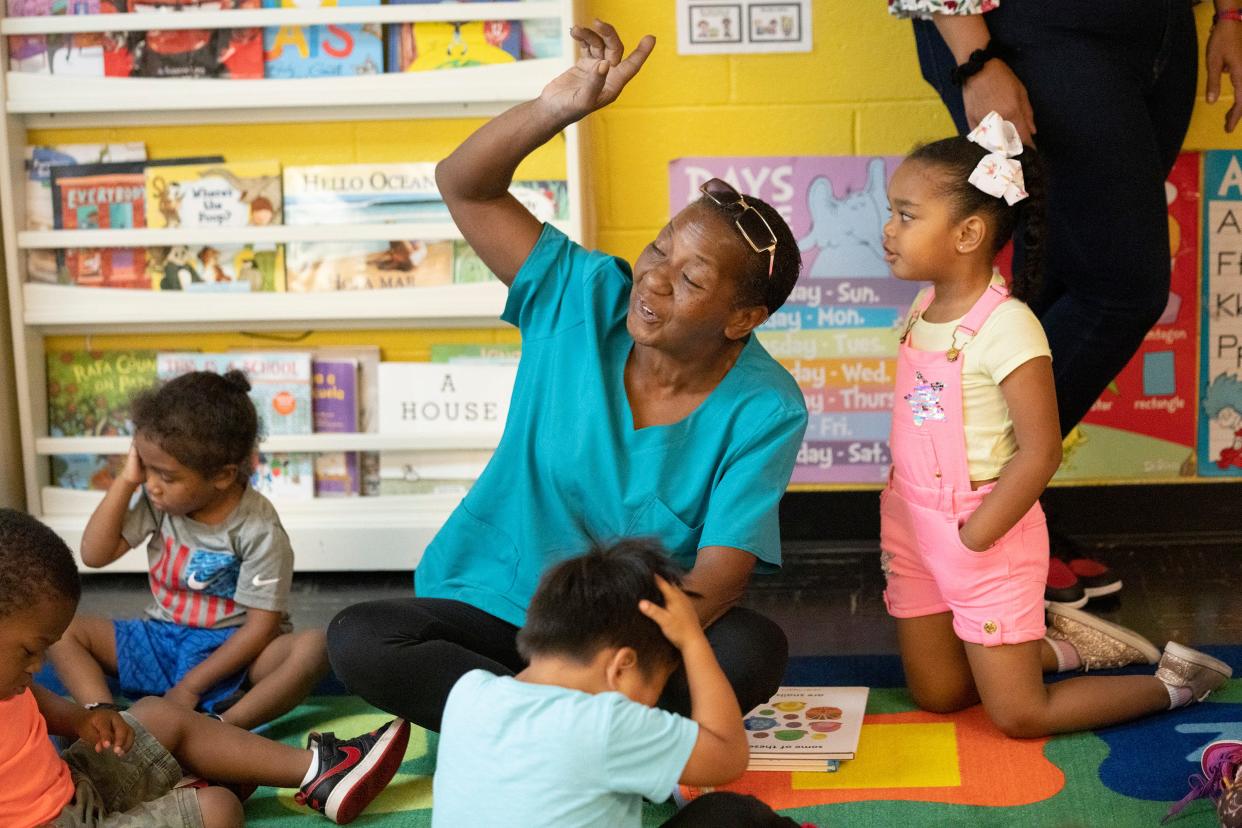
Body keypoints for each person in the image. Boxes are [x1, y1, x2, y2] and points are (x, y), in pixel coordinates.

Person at [327, 20, 808, 732]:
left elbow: (715, 583)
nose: (654, 280)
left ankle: (519, 725)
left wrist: (608, 660)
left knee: (751, 652)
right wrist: (557, 107)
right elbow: (464, 185)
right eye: (659, 249)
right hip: (497, 602)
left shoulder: (766, 406)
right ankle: (580, 732)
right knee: (360, 638)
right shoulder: (581, 294)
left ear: (741, 319)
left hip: (626, 641)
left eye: (692, 278)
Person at [879, 114, 1232, 737]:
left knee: (1018, 715)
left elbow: (1039, 453)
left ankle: (1172, 685)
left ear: (967, 233)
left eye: (906, 215)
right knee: (937, 694)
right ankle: (1065, 646)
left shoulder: (1008, 325)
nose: (888, 229)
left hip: (983, 532)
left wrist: (973, 539)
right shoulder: (921, 308)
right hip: (911, 523)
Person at [886, 0, 1242, 606]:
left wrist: (1230, 15)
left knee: (1054, 265)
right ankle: (968, 514)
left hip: (1158, 31)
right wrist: (976, 58)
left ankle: (1015, 517)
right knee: (1120, 287)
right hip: (1031, 31)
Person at [0, 507, 409, 828]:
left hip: (72, 788)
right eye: (29, 651)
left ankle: (322, 772)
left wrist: (79, 719)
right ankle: (194, 777)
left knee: (159, 713)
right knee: (218, 810)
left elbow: (32, 700)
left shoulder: (14, 681)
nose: (38, 666)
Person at [432, 539, 803, 827]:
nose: (651, 704)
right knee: (728, 815)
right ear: (622, 666)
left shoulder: (469, 692)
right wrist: (692, 640)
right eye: (655, 689)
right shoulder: (605, 722)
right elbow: (727, 758)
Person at [49, 370, 329, 731]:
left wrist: (190, 687)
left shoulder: (259, 529)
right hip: (163, 637)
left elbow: (260, 630)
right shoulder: (158, 503)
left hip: (236, 652)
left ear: (224, 476)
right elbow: (94, 554)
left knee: (314, 646)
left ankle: (222, 726)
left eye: (166, 476)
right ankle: (102, 716)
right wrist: (127, 479)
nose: (152, 486)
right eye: (146, 469)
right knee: (65, 629)